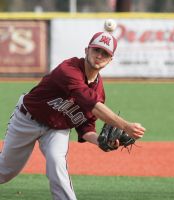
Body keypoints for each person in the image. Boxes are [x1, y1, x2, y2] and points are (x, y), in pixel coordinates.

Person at [0, 31, 145, 200]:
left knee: (57, 163)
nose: (99, 56)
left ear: (110, 60)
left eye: (105, 53)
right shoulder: (68, 69)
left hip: (57, 129)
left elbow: (85, 127)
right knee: (5, 171)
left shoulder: (99, 91)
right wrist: (125, 126)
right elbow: (90, 103)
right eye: (96, 50)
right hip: (27, 119)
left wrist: (100, 141)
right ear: (86, 50)